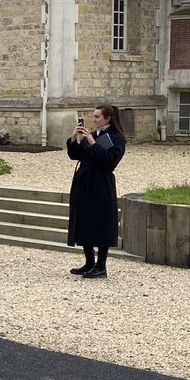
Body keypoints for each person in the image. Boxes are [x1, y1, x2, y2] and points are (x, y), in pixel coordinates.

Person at [66, 104, 127, 279]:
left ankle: (101, 266)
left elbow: (110, 160)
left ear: (108, 119)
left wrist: (93, 144)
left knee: (101, 221)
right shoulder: (91, 135)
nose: (94, 120)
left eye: (98, 117)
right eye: (94, 116)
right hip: (84, 181)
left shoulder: (117, 138)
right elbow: (76, 155)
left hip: (101, 183)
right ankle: (89, 262)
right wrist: (74, 138)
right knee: (85, 219)